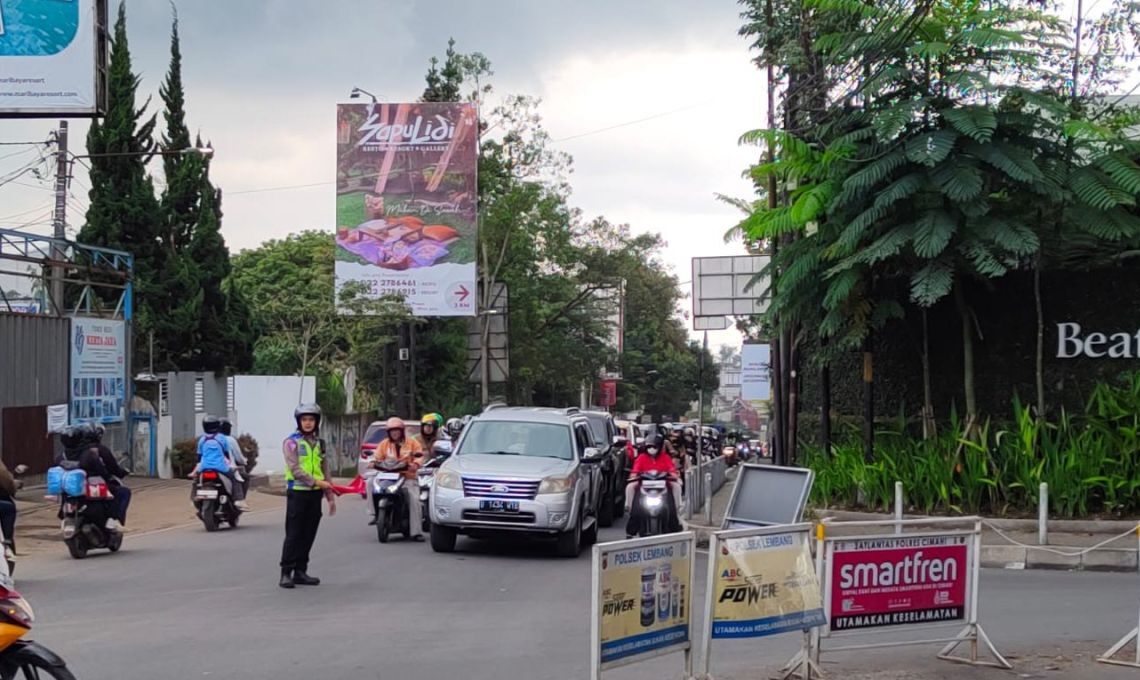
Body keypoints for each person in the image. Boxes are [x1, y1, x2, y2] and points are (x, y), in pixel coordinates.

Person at [280, 403, 338, 589]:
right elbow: (295, 469)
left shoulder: (319, 443)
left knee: (308, 534)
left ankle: (300, 571)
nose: (307, 423)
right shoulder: (291, 442)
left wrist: (329, 495)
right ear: (299, 421)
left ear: (317, 422)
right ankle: (286, 572)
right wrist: (316, 482)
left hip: (315, 496)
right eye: (304, 419)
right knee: (293, 534)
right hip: (297, 493)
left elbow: (325, 468)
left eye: (311, 419)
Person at [371, 416, 424, 539]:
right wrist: (373, 462)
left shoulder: (412, 442)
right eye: (392, 431)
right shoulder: (384, 444)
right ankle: (375, 514)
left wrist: (415, 464)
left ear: (402, 431)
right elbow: (377, 457)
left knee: (414, 498)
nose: (395, 433)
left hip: (407, 477)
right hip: (388, 477)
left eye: (397, 430)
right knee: (369, 483)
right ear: (388, 433)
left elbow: (419, 456)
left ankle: (416, 532)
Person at [625, 433, 682, 538]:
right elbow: (634, 472)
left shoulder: (665, 457)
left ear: (660, 447)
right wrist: (634, 476)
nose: (652, 449)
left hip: (664, 484)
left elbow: (672, 470)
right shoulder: (641, 458)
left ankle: (677, 514)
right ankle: (629, 510)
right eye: (649, 447)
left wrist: (674, 476)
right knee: (630, 487)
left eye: (654, 447)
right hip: (643, 485)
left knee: (677, 486)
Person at [189, 416, 249, 511]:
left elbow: (199, 457)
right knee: (235, 477)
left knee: (196, 480)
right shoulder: (222, 438)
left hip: (204, 467)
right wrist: (230, 465)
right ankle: (239, 499)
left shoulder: (202, 439)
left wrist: (199, 467)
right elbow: (226, 454)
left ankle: (193, 497)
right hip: (220, 467)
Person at [219, 418, 250, 498]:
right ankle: (239, 499)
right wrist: (244, 461)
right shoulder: (230, 440)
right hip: (226, 467)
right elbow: (238, 457)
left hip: (207, 467)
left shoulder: (208, 439)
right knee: (242, 477)